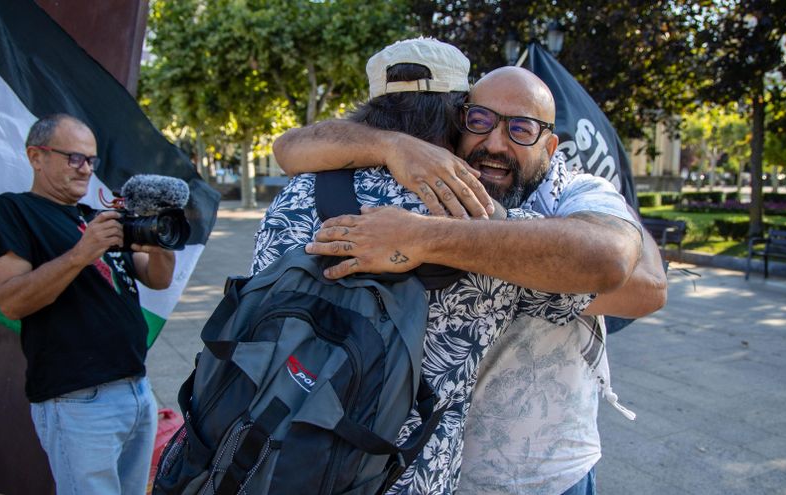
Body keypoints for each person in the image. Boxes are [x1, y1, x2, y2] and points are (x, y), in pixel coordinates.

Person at [272, 66, 667, 494]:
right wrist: (391, 144)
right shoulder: (434, 179)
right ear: (457, 121)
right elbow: (289, 146)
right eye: (480, 121)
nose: (495, 144)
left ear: (550, 147)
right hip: (428, 465)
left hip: (540, 472)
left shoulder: (573, 192)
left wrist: (423, 239)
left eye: (522, 129)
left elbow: (637, 280)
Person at [0, 114, 176, 494]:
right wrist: (80, 254)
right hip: (78, 400)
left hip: (136, 389)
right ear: (36, 156)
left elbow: (157, 277)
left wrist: (160, 239)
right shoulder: (10, 212)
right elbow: (11, 301)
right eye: (74, 158)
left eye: (91, 160)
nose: (85, 169)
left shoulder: (95, 218)